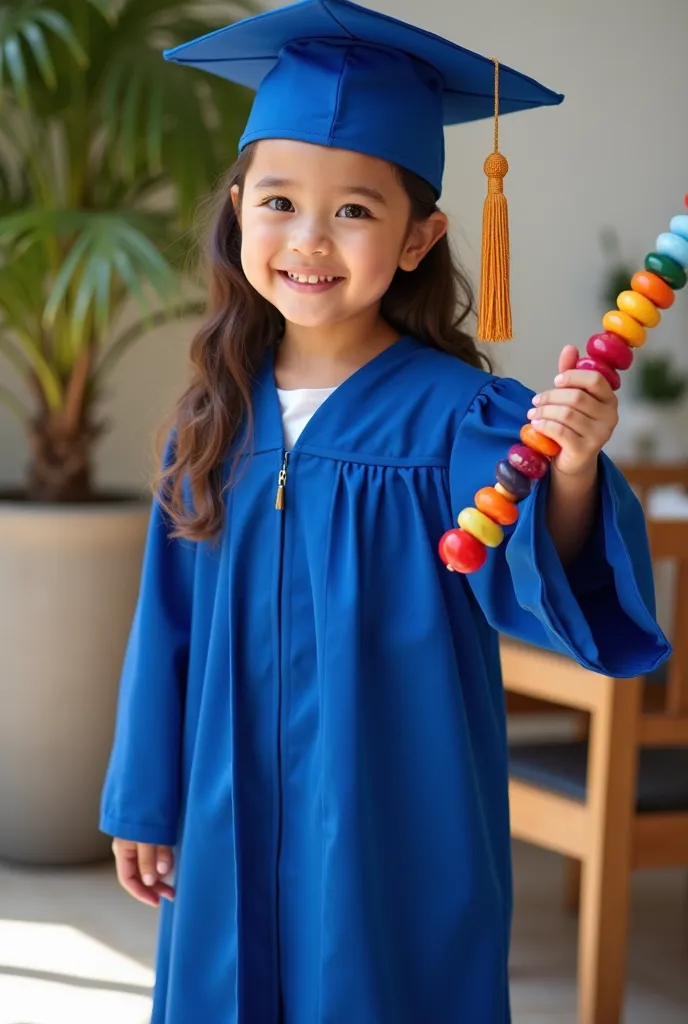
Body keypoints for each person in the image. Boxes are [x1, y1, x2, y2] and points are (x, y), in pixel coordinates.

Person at [100, 2, 671, 1021]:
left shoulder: (466, 419)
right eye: (278, 202)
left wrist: (573, 468)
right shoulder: (214, 413)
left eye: (355, 211)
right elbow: (168, 621)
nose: (309, 240)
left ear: (420, 239)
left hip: (395, 807)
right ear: (238, 210)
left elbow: (531, 575)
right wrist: (145, 795)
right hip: (226, 795)